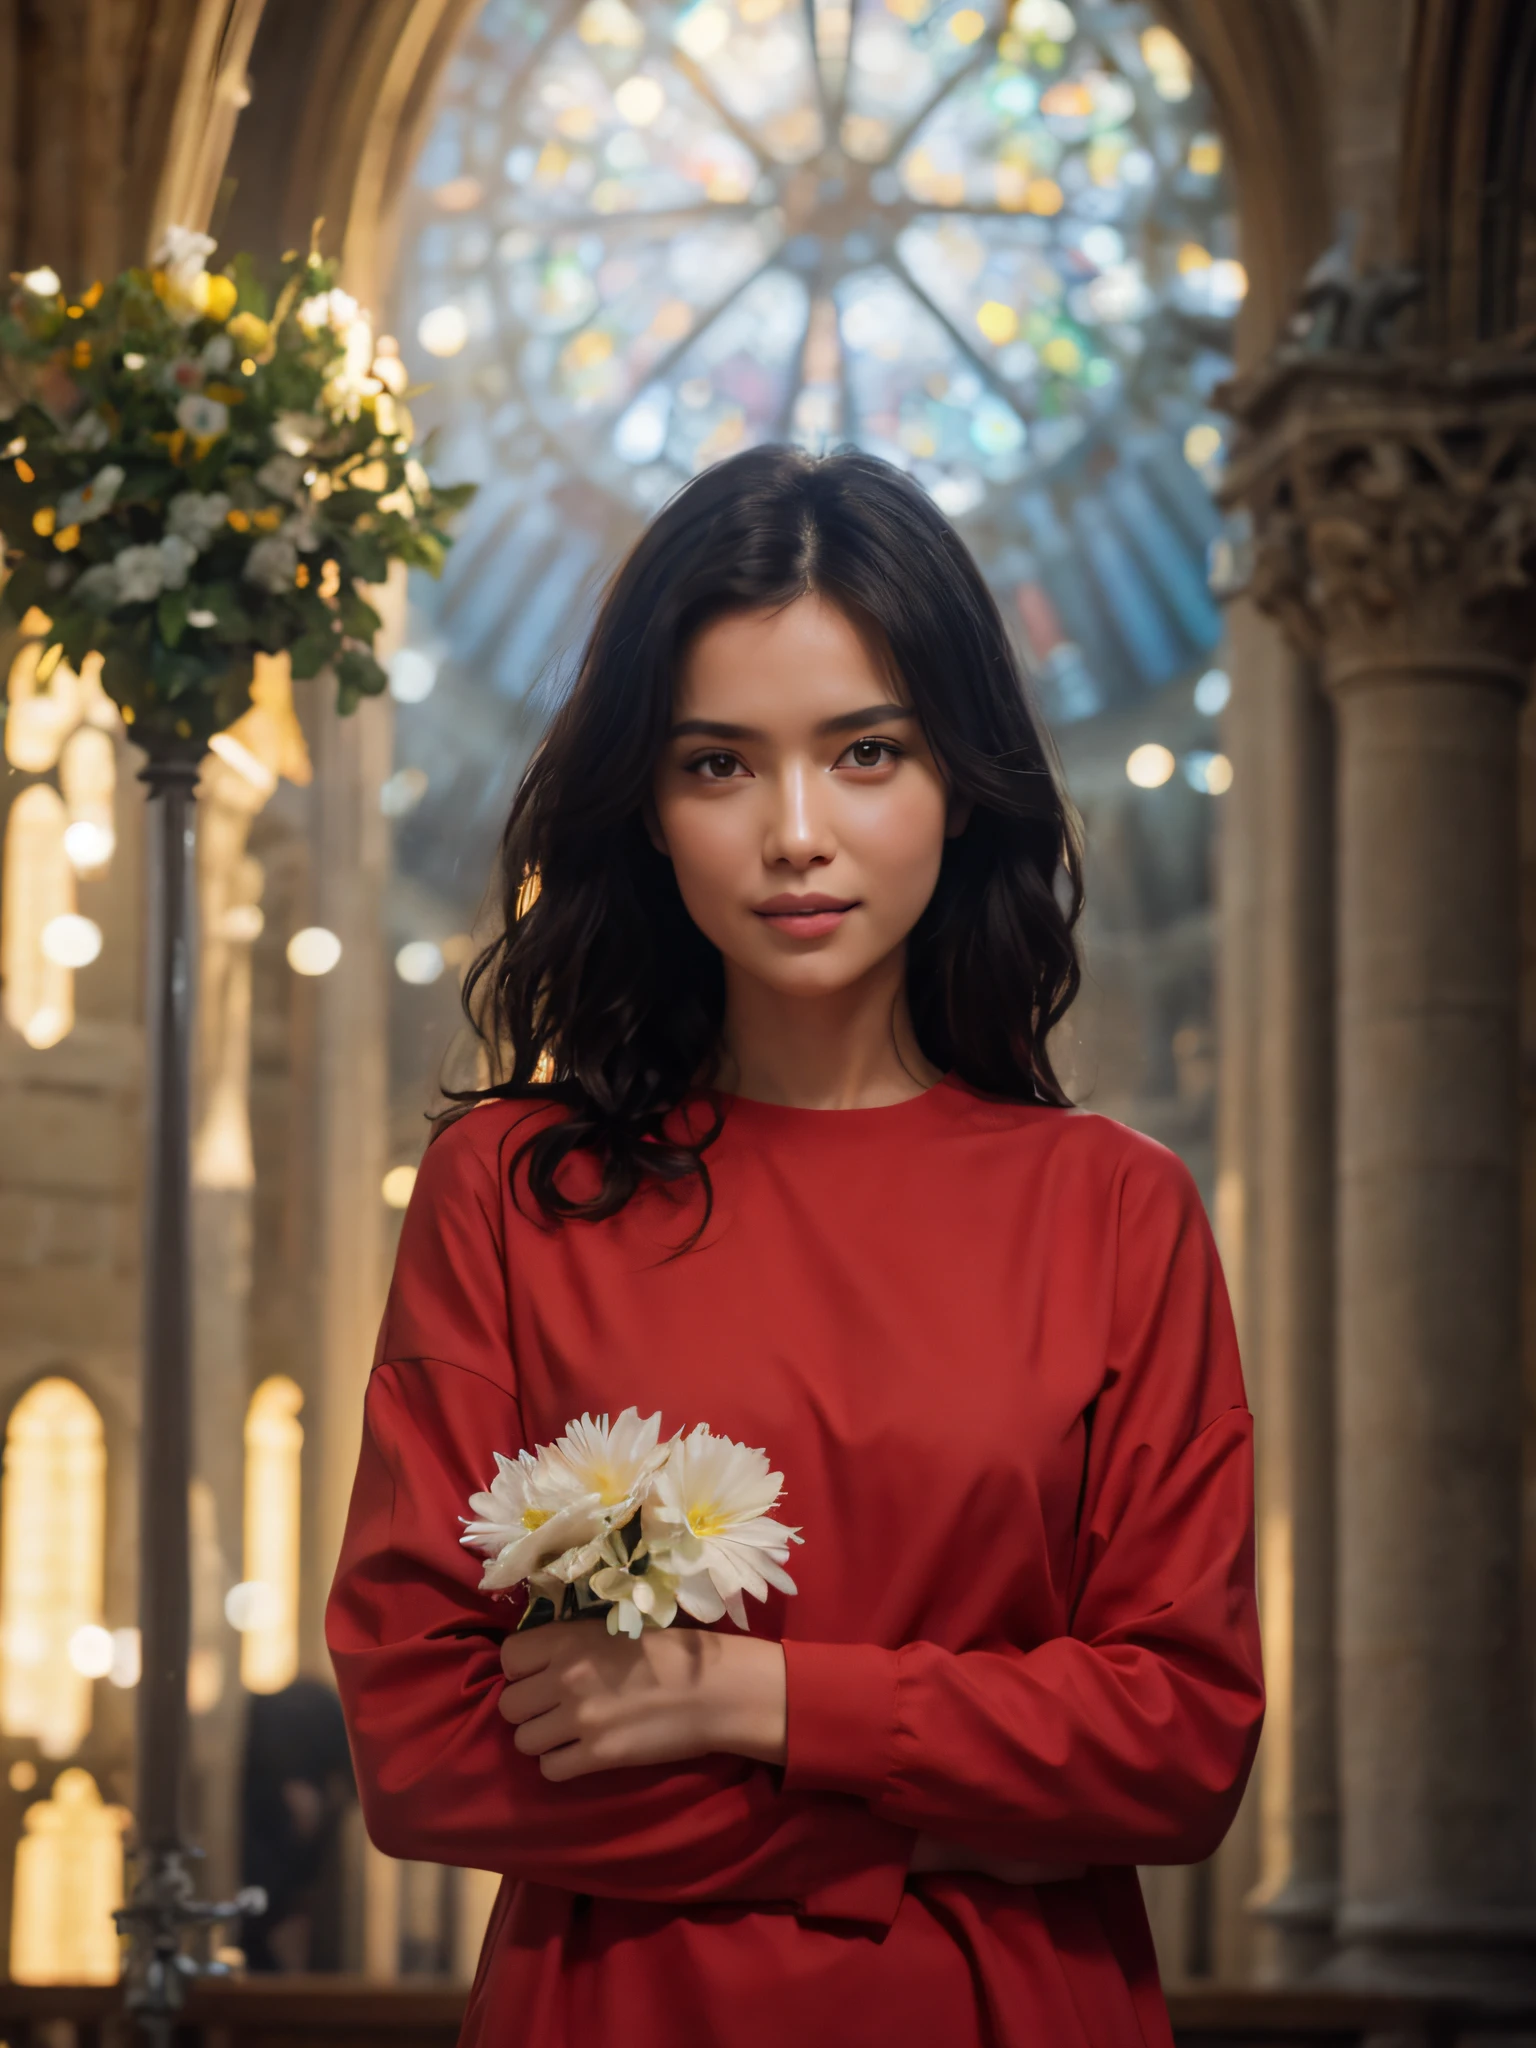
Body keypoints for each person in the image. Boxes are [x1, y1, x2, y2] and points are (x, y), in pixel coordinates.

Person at [327, 445, 1263, 2047]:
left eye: (867, 752)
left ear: (959, 780)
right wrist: (939, 1814)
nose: (796, 833)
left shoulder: (1116, 1210)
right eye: (719, 765)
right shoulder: (508, 1192)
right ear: (648, 803)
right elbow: (425, 1746)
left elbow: (1178, 1746)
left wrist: (750, 1700)